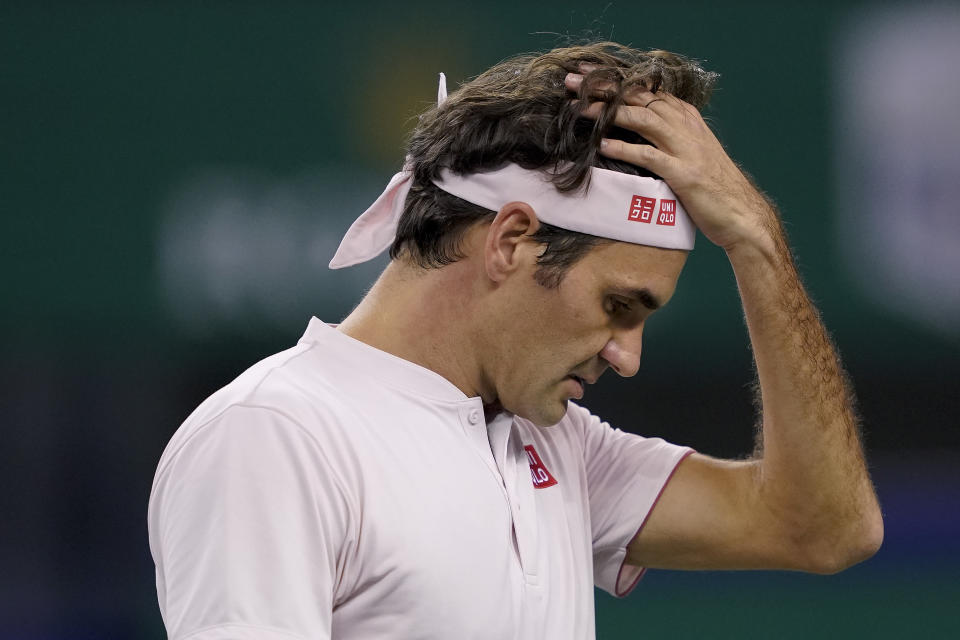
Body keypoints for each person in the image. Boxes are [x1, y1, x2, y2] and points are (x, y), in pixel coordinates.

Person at [148, 42, 883, 640]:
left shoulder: (557, 446)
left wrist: (758, 242)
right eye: (617, 304)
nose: (627, 356)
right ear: (512, 241)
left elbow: (825, 529)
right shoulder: (275, 435)